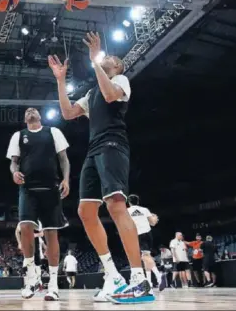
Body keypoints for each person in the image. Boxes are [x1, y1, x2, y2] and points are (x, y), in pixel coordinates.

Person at [49, 32, 154, 304]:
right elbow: (68, 113)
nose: (107, 58)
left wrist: (95, 59)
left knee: (116, 205)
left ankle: (139, 279)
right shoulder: (91, 91)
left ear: (118, 67)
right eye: (104, 57)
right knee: (85, 211)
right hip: (94, 149)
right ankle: (113, 276)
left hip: (113, 145)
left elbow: (109, 96)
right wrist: (60, 80)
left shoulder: (120, 81)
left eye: (111, 58)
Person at [7, 107, 70, 301]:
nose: (30, 111)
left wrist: (66, 179)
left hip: (51, 187)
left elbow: (64, 159)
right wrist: (14, 172)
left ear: (39, 116)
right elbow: (14, 162)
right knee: (25, 227)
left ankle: (52, 284)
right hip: (27, 189)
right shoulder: (18, 135)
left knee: (52, 233)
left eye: (34, 110)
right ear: (25, 118)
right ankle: (32, 277)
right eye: (27, 111)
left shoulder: (53, 132)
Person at [127, 194, 165, 291]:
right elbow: (153, 223)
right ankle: (149, 282)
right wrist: (155, 218)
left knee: (145, 257)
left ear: (129, 202)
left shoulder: (127, 211)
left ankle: (159, 275)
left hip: (139, 234)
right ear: (138, 201)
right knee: (146, 258)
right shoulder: (144, 210)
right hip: (148, 234)